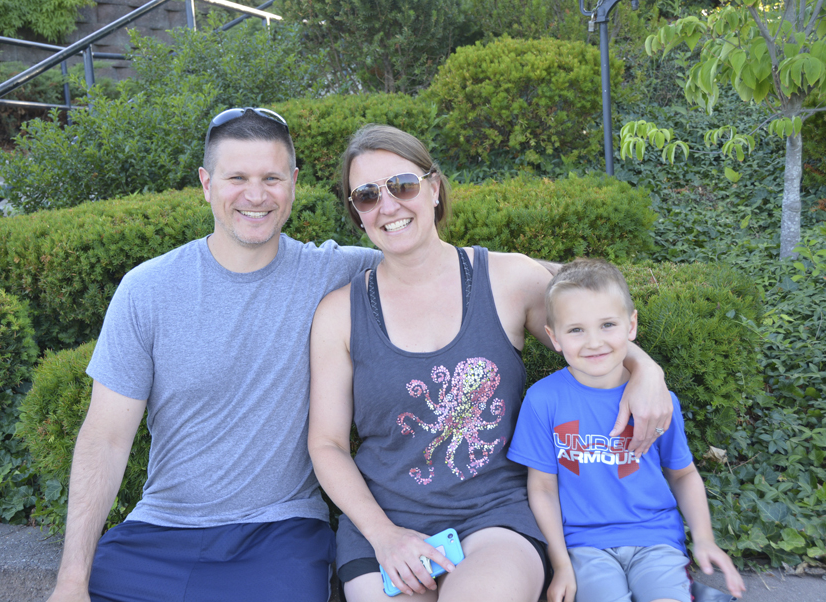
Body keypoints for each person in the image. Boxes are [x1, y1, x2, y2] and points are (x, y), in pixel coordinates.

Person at [307, 125, 674, 602]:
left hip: (495, 518)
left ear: (434, 188)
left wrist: (645, 369)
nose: (388, 205)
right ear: (357, 212)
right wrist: (383, 535)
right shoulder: (339, 314)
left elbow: (589, 312)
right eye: (367, 195)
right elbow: (328, 444)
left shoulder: (507, 279)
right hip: (385, 524)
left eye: (402, 185)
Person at [46, 108, 382, 602]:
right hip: (158, 533)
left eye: (271, 178)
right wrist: (71, 581)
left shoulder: (334, 274)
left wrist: (525, 284)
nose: (255, 195)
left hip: (279, 533)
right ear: (207, 184)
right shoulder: (148, 290)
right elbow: (106, 439)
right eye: (236, 178)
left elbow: (438, 268)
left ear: (293, 183)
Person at [507, 258, 746, 602]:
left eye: (607, 325)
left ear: (631, 325)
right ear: (554, 337)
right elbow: (542, 488)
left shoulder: (657, 402)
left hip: (656, 539)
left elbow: (683, 474)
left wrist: (705, 539)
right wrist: (560, 564)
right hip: (583, 546)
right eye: (576, 330)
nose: (594, 342)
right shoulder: (543, 400)